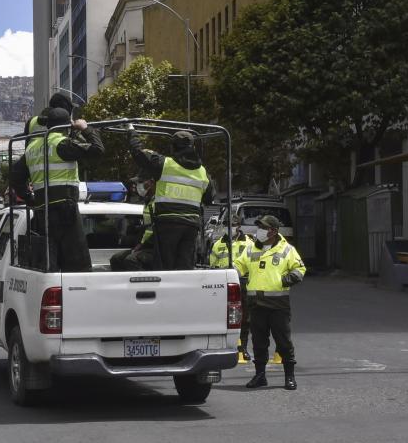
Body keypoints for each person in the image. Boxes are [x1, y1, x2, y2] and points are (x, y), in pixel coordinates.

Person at [9, 95, 105, 272]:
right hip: (65, 209)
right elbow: (98, 150)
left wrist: (30, 199)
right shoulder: (62, 144)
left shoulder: (32, 147)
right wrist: (86, 129)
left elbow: (15, 176)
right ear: (66, 125)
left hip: (42, 210)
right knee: (78, 263)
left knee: (49, 259)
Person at [233, 215, 305, 391]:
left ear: (273, 231)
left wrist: (284, 280)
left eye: (263, 228)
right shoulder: (250, 250)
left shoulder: (286, 249)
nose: (260, 231)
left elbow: (300, 269)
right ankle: (260, 376)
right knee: (258, 342)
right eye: (259, 227)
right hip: (256, 304)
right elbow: (238, 265)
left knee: (283, 342)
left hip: (278, 305)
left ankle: (289, 377)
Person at [126, 128, 214, 270]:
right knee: (184, 266)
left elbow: (138, 153)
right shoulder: (203, 172)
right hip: (191, 226)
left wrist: (132, 133)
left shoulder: (164, 163)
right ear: (193, 148)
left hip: (168, 224)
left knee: (164, 266)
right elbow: (210, 198)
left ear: (173, 147)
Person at [209, 215, 255, 361]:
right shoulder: (217, 244)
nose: (231, 227)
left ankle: (242, 348)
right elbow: (212, 266)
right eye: (228, 224)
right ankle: (223, 347)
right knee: (223, 317)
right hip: (223, 283)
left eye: (233, 224)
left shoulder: (249, 243)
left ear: (239, 226)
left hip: (243, 282)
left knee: (244, 318)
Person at [110, 170, 157, 271]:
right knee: (116, 259)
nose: (137, 185)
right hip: (145, 245)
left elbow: (152, 229)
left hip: (155, 246)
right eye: (136, 183)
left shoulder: (158, 202)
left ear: (152, 182)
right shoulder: (148, 202)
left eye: (140, 182)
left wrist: (140, 245)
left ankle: (143, 286)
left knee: (131, 260)